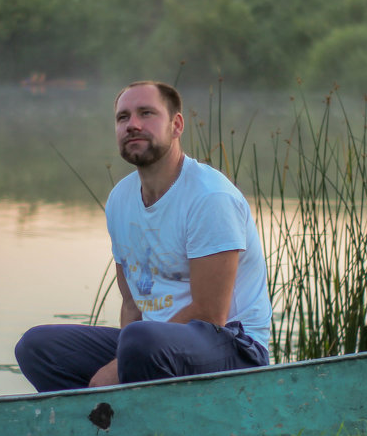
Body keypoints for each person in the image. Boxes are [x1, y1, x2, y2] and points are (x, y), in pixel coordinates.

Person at [15, 80, 271, 391]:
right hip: (149, 344)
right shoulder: (120, 200)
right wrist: (124, 357)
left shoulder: (210, 197)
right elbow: (132, 304)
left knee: (140, 340)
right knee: (37, 346)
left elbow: (210, 314)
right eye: (123, 117)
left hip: (234, 347)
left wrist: (119, 367)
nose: (132, 125)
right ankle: (97, 427)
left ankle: (140, 418)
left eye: (146, 113)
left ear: (176, 126)